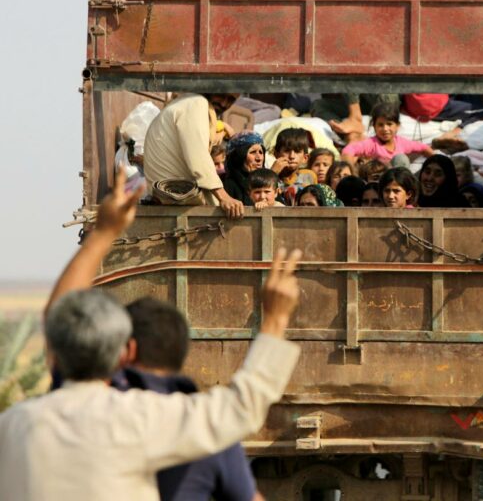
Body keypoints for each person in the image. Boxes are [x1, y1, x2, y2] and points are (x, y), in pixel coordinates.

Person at [0, 168, 302, 501]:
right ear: (123, 353)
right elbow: (242, 407)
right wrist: (275, 319)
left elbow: (57, 316)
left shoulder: (15, 426)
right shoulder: (137, 419)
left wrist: (103, 233)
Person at [123, 298, 263, 501]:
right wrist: (277, 321)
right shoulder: (208, 426)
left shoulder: (93, 415)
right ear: (181, 352)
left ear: (128, 350)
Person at [144, 93, 244, 218]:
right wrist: (224, 197)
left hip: (172, 196)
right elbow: (198, 156)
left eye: (230, 100)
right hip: (176, 198)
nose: (224, 104)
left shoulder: (187, 103)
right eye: (221, 95)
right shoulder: (196, 103)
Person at [341, 102, 434, 167]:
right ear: (374, 126)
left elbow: (423, 148)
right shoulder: (372, 144)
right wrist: (351, 172)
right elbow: (348, 150)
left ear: (397, 126)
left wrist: (436, 162)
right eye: (380, 125)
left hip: (400, 184)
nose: (385, 129)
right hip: (379, 184)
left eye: (389, 124)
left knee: (401, 159)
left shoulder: (402, 143)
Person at [311, 94, 400, 143]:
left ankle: (355, 120)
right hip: (360, 103)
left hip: (380, 96)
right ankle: (349, 133)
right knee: (318, 105)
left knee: (348, 64)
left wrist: (355, 114)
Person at [272, 128, 316, 205]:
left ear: (305, 158)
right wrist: (272, 174)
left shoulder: (309, 176)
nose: (292, 156)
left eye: (297, 151)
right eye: (286, 151)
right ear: (276, 154)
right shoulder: (269, 176)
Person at [223, 132, 267, 205]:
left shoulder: (269, 181)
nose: (259, 158)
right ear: (239, 157)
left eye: (261, 152)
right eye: (253, 152)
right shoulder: (228, 185)